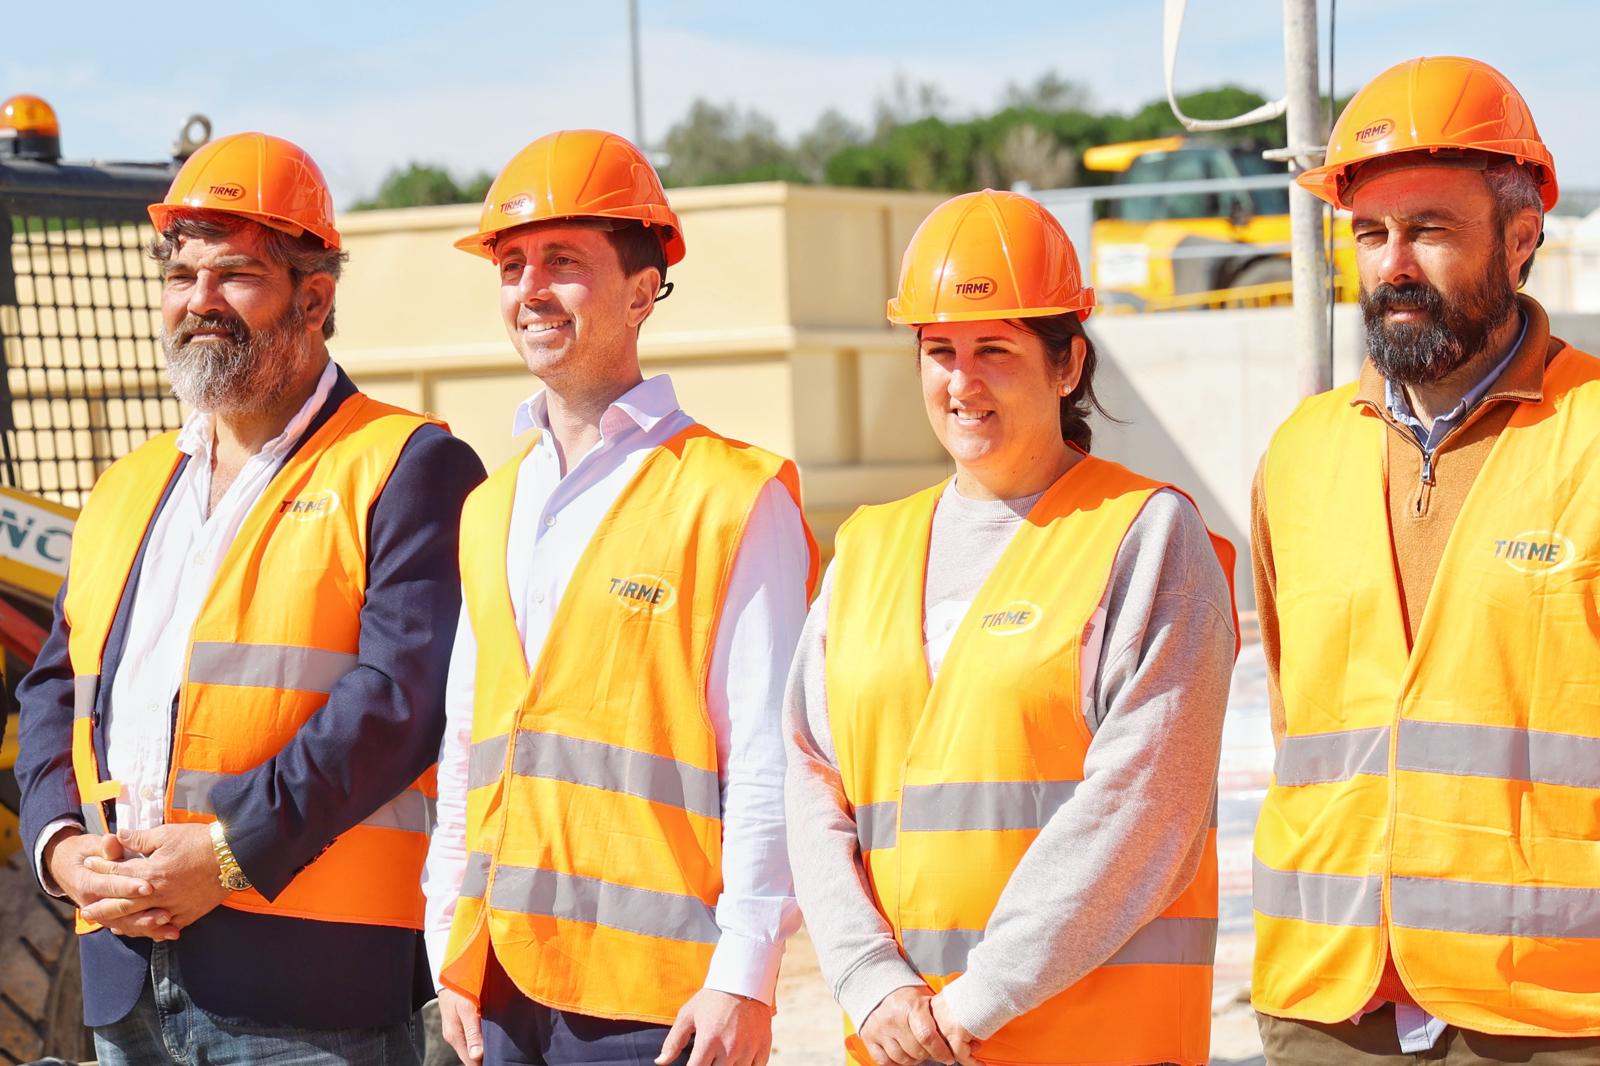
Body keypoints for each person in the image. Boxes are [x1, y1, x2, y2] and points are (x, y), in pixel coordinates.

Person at [13, 131, 486, 1064]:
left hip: (311, 994)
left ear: (316, 298)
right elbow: (54, 691)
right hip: (125, 984)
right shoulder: (125, 489)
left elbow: (393, 707)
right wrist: (60, 849)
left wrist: (226, 856)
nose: (200, 303)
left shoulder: (407, 467)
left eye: (235, 276)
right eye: (182, 275)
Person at [786, 188, 1237, 1066]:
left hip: (1088, 1041)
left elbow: (1142, 808)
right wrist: (868, 977)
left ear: (1068, 365)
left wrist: (974, 1005)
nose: (962, 382)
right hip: (899, 1043)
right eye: (939, 351)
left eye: (994, 349)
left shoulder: (1143, 536)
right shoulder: (869, 549)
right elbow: (810, 778)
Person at [424, 128, 819, 1066]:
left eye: (563, 261)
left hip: (666, 1003)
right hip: (497, 986)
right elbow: (465, 749)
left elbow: (772, 755)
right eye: (513, 264)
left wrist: (746, 971)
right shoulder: (490, 508)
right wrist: (448, 943)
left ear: (644, 290)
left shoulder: (734, 497)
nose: (530, 289)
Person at [1250, 55, 1600, 1063]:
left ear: (1521, 237)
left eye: (1429, 231)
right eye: (1370, 233)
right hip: (1330, 1000)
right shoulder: (1300, 453)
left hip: (1551, 1011)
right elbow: (1293, 716)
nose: (1392, 264)